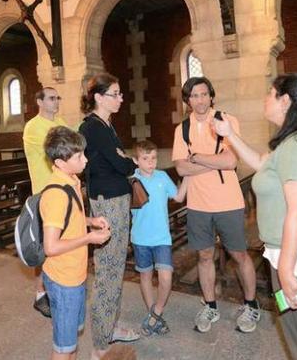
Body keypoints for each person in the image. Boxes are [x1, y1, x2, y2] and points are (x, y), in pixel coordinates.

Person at [213, 73, 297, 360]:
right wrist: (230, 134)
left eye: (269, 93)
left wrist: (285, 271)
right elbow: (261, 164)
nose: (265, 98)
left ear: (284, 101)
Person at [171, 76, 261, 334]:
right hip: (198, 204)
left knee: (239, 254)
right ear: (187, 101)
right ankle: (210, 305)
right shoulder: (182, 129)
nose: (199, 99)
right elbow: (180, 166)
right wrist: (213, 160)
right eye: (193, 95)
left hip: (228, 201)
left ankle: (251, 304)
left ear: (211, 96)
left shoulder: (226, 121)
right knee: (204, 255)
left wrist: (196, 158)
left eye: (203, 94)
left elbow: (231, 162)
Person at [78, 72, 140, 358]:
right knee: (108, 272)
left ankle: (110, 327)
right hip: (109, 203)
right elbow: (123, 164)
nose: (121, 98)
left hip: (114, 199)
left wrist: (124, 159)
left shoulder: (105, 125)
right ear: (99, 97)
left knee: (114, 269)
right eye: (115, 93)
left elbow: (120, 159)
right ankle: (101, 344)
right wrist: (128, 161)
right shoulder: (94, 127)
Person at [40, 126, 112, 360]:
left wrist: (90, 221)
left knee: (70, 342)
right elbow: (51, 246)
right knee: (63, 347)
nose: (86, 159)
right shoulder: (56, 194)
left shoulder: (70, 180)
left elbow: (70, 219)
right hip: (63, 280)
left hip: (75, 275)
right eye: (79, 156)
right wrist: (89, 238)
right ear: (61, 163)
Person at [130, 140, 188, 336]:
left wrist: (188, 175)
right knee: (145, 276)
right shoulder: (131, 180)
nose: (150, 162)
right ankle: (152, 314)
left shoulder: (162, 176)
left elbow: (179, 197)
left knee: (165, 277)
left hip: (162, 238)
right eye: (145, 159)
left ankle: (156, 312)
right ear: (136, 161)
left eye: (153, 158)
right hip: (140, 238)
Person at [23, 86, 68, 317]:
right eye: (51, 98)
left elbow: (75, 142)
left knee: (59, 243)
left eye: (57, 97)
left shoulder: (60, 120)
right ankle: (40, 294)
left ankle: (54, 288)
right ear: (39, 102)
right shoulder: (32, 127)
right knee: (45, 246)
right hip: (44, 192)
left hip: (63, 190)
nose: (56, 101)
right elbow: (59, 150)